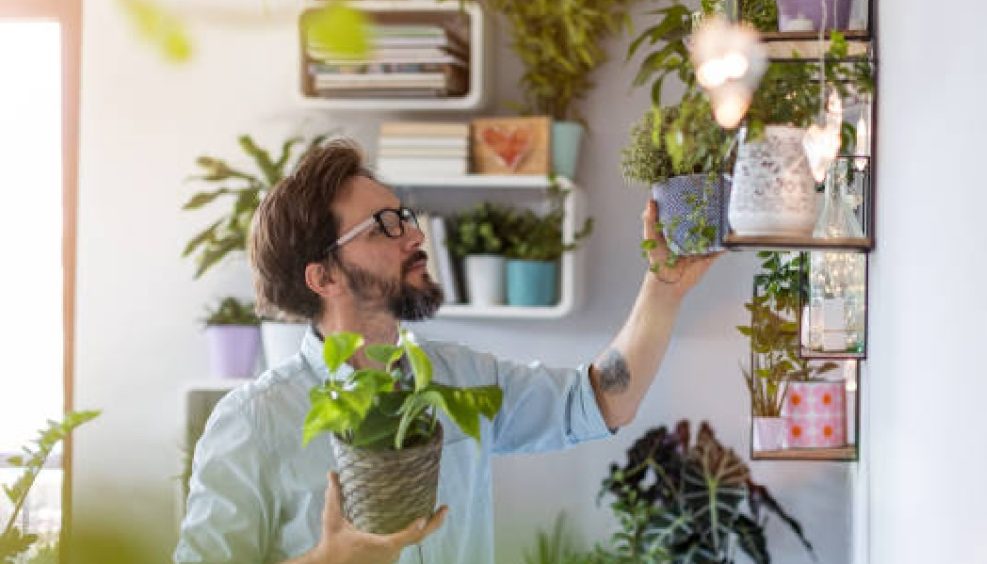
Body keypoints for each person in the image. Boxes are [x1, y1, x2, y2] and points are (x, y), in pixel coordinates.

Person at [174, 139, 717, 564]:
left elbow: (600, 401)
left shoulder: (458, 378)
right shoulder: (253, 422)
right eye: (384, 227)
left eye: (404, 217)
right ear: (323, 276)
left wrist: (662, 289)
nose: (414, 236)